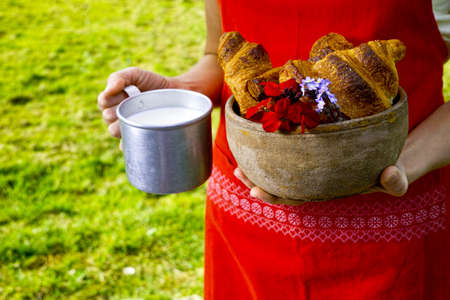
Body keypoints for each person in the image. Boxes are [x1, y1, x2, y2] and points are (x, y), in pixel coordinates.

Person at [98, 0, 450, 298]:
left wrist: (402, 163)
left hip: (388, 226)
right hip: (246, 213)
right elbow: (216, 51)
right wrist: (179, 91)